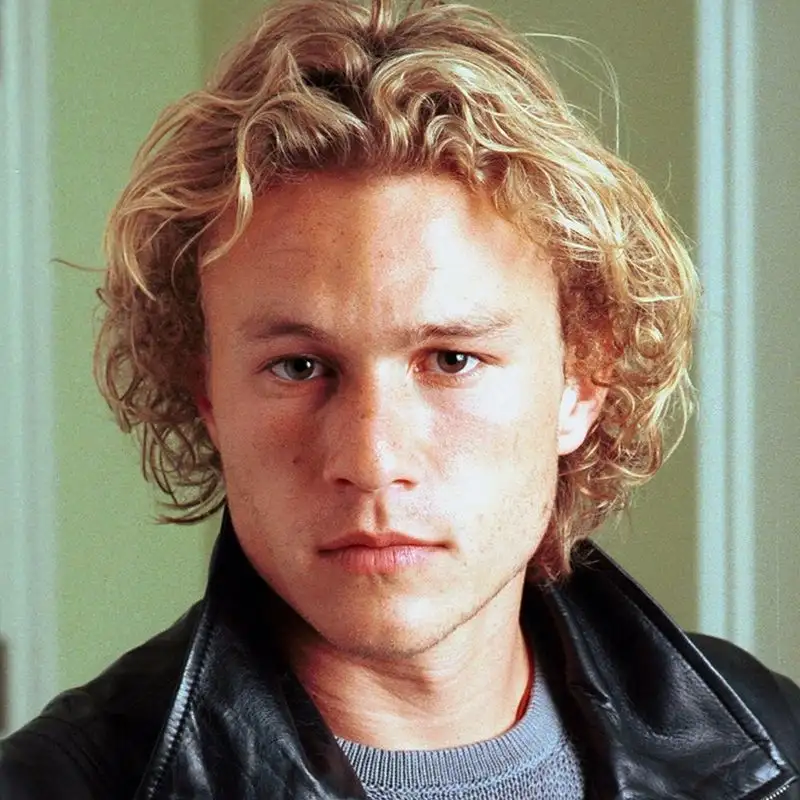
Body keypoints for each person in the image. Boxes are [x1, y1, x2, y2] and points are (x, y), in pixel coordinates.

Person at [2, 0, 799, 796]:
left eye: (452, 360)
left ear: (581, 381)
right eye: (298, 367)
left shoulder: (776, 739)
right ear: (207, 395)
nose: (372, 460)